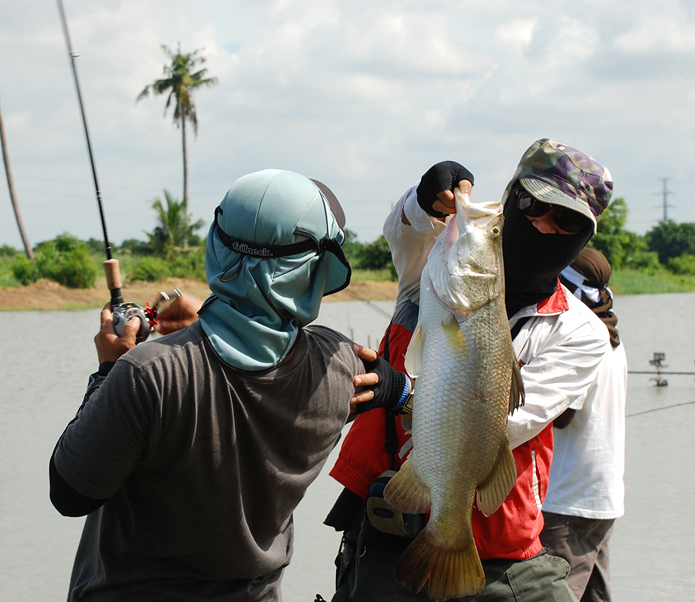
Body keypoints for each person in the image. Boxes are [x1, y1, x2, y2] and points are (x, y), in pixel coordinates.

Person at [49, 169, 412, 601]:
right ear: (317, 269)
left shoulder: (147, 374)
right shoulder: (343, 367)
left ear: (216, 245)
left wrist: (107, 371)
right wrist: (400, 390)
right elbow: (268, 347)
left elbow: (70, 493)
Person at [325, 138, 614, 601]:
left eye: (566, 220)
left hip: (504, 559)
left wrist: (404, 394)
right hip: (388, 541)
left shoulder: (581, 333)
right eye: (531, 204)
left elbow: (509, 423)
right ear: (511, 196)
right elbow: (406, 232)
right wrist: (424, 198)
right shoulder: (439, 269)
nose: (542, 224)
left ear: (585, 234)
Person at [539, 247, 627, 602]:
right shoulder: (613, 338)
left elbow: (561, 417)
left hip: (567, 499)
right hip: (603, 497)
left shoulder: (580, 337)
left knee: (551, 594)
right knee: (596, 595)